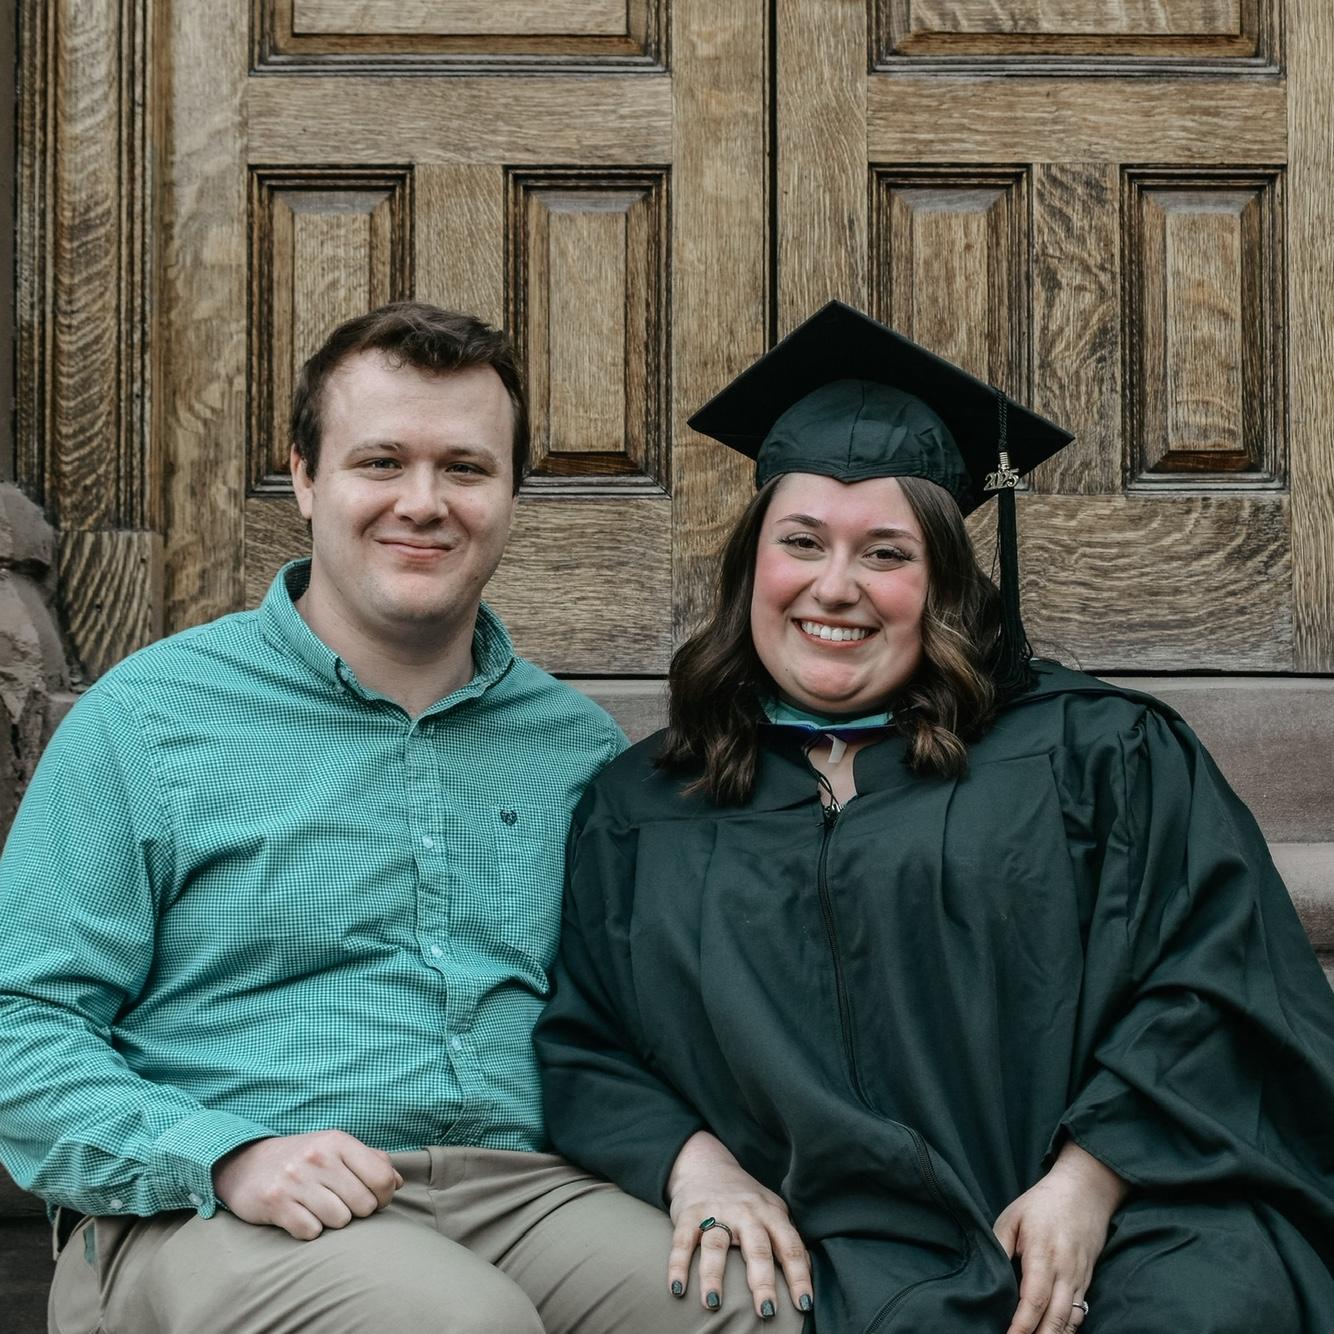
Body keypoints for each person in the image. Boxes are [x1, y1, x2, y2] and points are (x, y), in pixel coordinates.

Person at [535, 301, 1334, 1333]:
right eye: (801, 542)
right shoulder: (646, 804)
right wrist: (694, 1164)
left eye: (885, 553)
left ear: (944, 581)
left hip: (1136, 1214)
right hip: (849, 1255)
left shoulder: (1098, 754)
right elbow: (586, 1039)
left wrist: (1089, 1177)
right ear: (749, 568)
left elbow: (1217, 980)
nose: (835, 586)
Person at [0, 302, 797, 1334]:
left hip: (527, 1192)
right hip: (220, 1202)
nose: (423, 503)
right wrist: (222, 1152)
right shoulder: (148, 720)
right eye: (381, 461)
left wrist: (697, 1160)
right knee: (449, 1320)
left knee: (752, 1304)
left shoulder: (574, 748)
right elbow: (22, 1024)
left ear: (511, 493)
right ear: (304, 477)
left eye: (465, 468)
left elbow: (634, 1024)